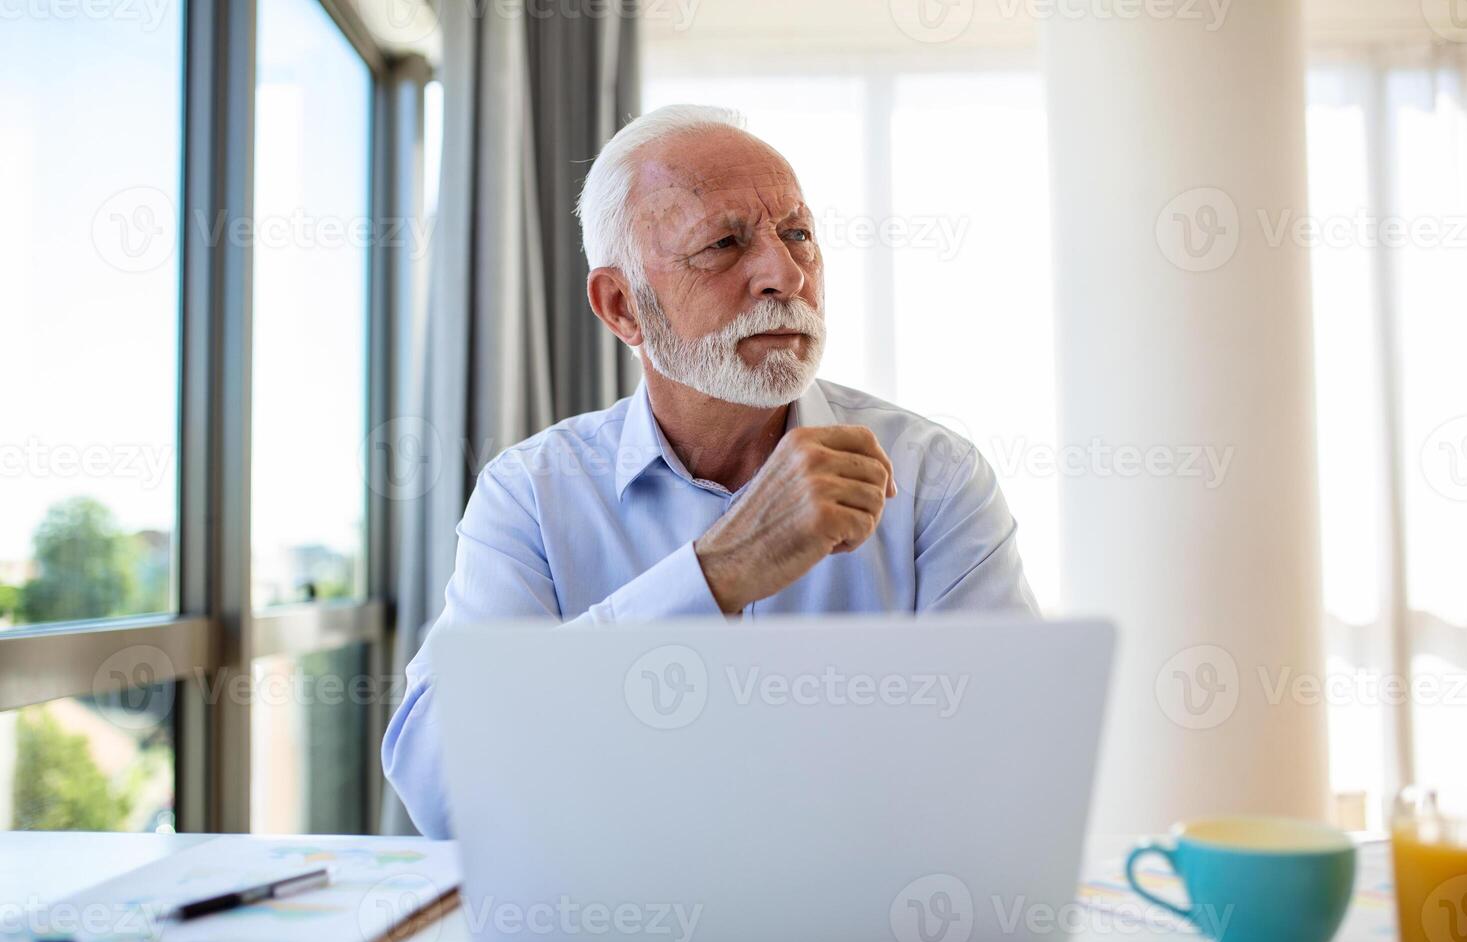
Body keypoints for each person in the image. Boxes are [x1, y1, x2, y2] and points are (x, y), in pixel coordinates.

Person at [383, 105, 1037, 839]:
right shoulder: (532, 494)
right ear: (622, 306)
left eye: (798, 234)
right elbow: (445, 785)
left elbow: (1013, 769)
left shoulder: (934, 478)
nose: (784, 274)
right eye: (725, 243)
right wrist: (717, 574)